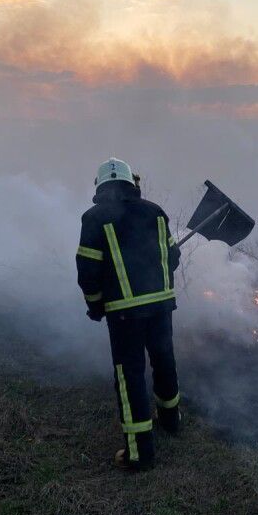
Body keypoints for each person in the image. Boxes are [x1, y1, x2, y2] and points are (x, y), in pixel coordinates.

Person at [76, 158, 182, 470]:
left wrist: (96, 306)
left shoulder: (94, 218)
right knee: (164, 362)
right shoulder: (155, 211)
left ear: (100, 187)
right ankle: (172, 421)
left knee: (130, 376)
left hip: (124, 314)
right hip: (162, 306)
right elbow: (173, 256)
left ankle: (139, 454)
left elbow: (87, 272)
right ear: (131, 183)